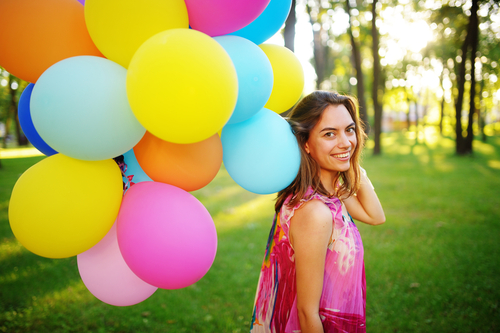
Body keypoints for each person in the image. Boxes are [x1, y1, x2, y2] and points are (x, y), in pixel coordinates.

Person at [249, 91, 385, 333]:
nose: (345, 142)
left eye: (349, 130)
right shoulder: (315, 212)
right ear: (306, 144)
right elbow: (306, 312)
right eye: (329, 133)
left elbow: (376, 216)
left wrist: (355, 169)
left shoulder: (331, 194)